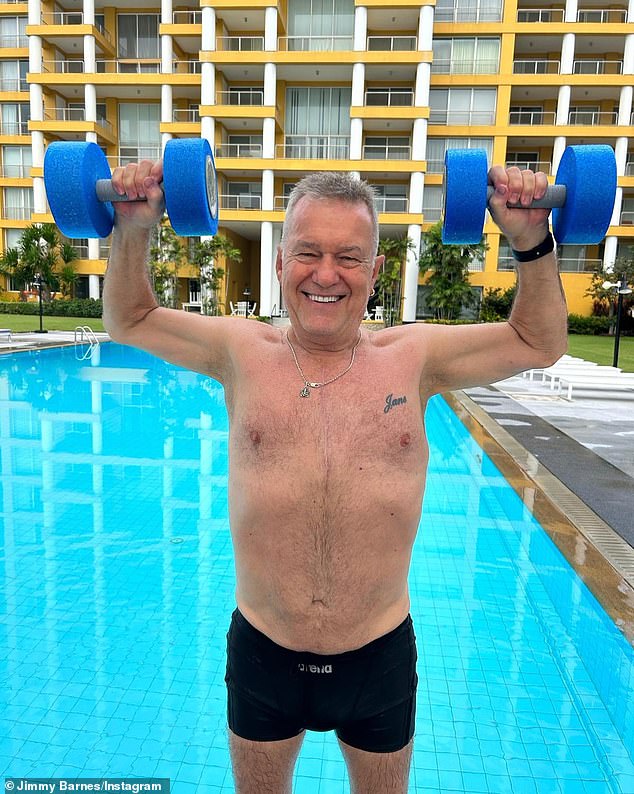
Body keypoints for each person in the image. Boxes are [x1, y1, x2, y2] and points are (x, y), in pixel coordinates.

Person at [103, 160, 567, 793]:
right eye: (308, 253)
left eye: (349, 257)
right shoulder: (239, 351)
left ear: (375, 272)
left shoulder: (415, 358)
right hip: (265, 653)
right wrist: (132, 227)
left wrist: (529, 241)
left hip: (375, 659)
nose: (326, 274)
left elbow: (538, 341)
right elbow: (129, 318)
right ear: (280, 263)